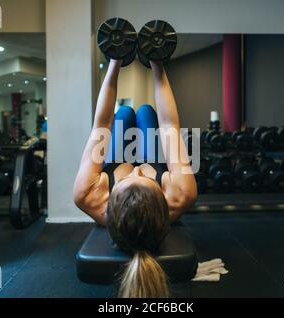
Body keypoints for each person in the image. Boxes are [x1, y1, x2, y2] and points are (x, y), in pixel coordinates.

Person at [73, 59, 197, 298]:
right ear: (163, 198)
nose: (138, 169)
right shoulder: (181, 193)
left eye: (128, 179)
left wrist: (115, 61)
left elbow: (102, 123)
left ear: (110, 201)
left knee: (125, 113)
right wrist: (158, 65)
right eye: (145, 178)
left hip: (117, 157)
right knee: (147, 112)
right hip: (155, 161)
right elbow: (169, 125)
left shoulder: (88, 194)